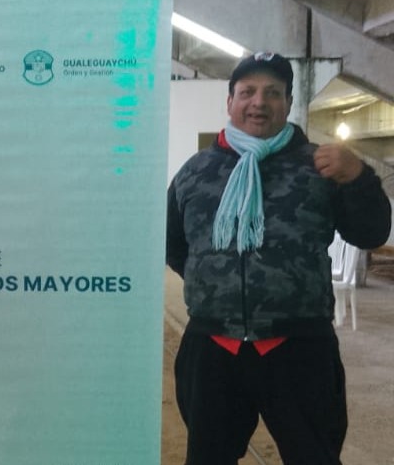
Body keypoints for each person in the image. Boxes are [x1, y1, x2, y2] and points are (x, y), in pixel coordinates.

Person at [166, 52, 391, 465]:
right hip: (213, 347)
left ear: (288, 103)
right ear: (230, 101)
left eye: (273, 92)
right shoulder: (195, 171)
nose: (259, 102)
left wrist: (360, 178)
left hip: (299, 347)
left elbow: (371, 234)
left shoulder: (321, 166)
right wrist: (217, 287)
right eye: (247, 92)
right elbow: (176, 246)